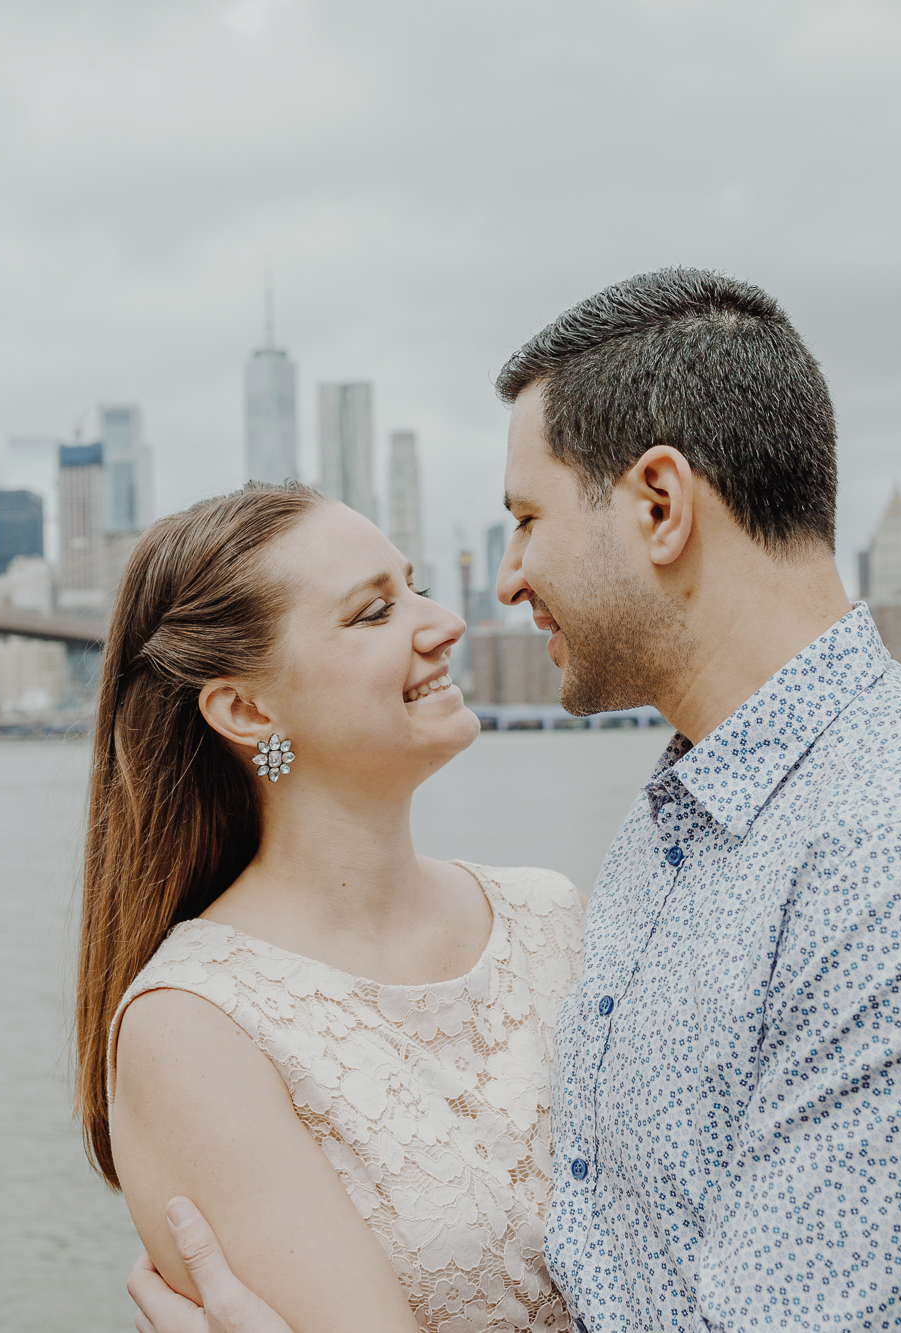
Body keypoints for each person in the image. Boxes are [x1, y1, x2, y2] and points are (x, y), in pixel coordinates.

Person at [127, 268, 901, 1333]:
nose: (501, 585)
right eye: (375, 609)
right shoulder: (684, 828)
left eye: (526, 518)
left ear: (659, 506)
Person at [76, 481, 586, 1333]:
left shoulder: (553, 915)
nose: (443, 622)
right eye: (373, 613)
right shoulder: (196, 1025)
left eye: (413, 585)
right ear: (247, 708)